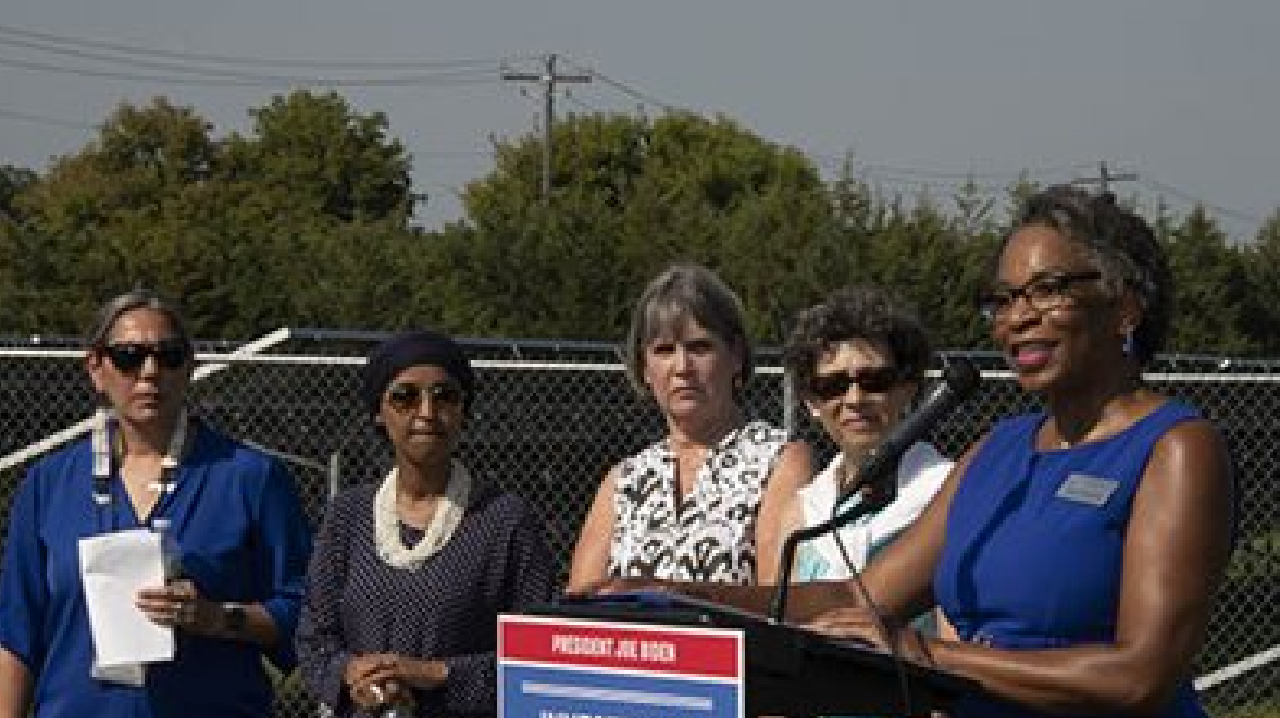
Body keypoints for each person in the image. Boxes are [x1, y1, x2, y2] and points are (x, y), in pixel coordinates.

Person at [629, 187, 1234, 718]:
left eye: (1047, 291)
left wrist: (929, 656)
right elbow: (853, 600)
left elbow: (1139, 678)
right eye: (1004, 299)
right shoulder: (998, 451)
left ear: (1124, 306)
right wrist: (676, 595)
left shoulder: (1175, 450)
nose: (1018, 318)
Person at [0, 290, 314, 718]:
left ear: (189, 367)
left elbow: (306, 618)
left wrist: (215, 617)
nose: (150, 372)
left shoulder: (250, 479)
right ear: (97, 368)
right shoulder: (47, 487)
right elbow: (17, 638)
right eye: (129, 357)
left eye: (169, 356)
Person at [296, 330, 557, 717]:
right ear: (379, 412)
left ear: (464, 410)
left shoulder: (503, 520)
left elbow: (539, 653)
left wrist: (436, 675)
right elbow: (314, 639)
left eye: (444, 396)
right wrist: (353, 675)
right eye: (405, 397)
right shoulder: (347, 515)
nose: (426, 413)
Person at [568, 263, 811, 593]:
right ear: (644, 368)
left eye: (700, 347)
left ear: (736, 356)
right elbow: (579, 601)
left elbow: (779, 601)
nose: (682, 367)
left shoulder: (780, 460)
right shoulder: (623, 480)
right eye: (664, 350)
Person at [764, 285, 952, 600]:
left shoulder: (945, 490)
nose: (854, 399)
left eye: (874, 381)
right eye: (832, 385)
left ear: (907, 388)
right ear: (811, 401)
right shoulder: (804, 511)